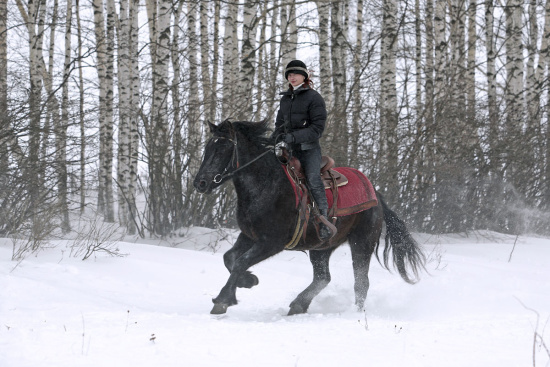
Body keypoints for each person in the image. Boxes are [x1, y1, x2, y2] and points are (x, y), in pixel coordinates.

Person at [273, 60, 336, 241]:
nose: (291, 77)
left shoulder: (314, 98)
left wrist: (294, 137)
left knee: (313, 179)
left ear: (304, 76)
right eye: (289, 75)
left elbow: (317, 129)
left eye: (295, 74)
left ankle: (324, 220)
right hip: (288, 151)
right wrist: (276, 139)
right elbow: (279, 125)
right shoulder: (285, 98)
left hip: (308, 150)